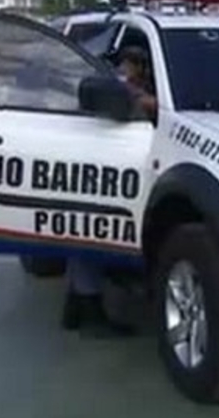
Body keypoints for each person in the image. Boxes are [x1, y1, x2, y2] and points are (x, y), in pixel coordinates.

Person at [60, 47, 157, 335]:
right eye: (133, 62)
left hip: (112, 169)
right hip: (101, 169)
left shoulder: (135, 85)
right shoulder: (112, 86)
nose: (134, 68)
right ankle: (89, 310)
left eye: (139, 63)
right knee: (92, 233)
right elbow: (138, 103)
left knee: (87, 235)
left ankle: (77, 306)